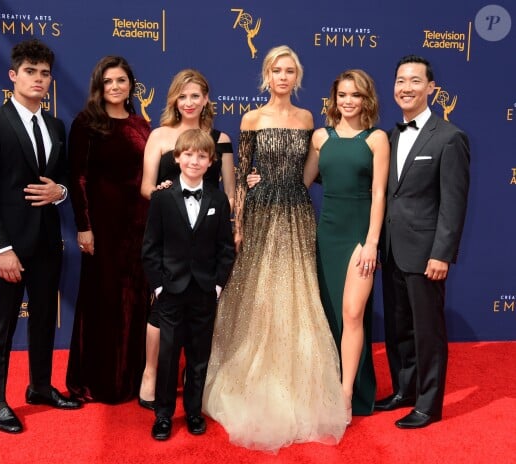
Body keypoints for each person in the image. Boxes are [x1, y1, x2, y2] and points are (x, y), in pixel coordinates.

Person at [203, 45, 347, 452]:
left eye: (289, 71)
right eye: (276, 70)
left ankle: (298, 384)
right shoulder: (252, 117)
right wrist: (238, 222)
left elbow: (307, 174)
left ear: (297, 77)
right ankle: (250, 378)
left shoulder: (307, 119)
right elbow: (244, 168)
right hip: (260, 212)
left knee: (296, 295)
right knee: (259, 294)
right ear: (266, 75)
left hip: (297, 213)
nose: (283, 77)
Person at [0, 39, 81, 434]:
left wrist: (60, 193)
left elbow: (63, 179)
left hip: (49, 243)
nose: (39, 79)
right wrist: (0, 249)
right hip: (9, 248)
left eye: (45, 73)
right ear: (13, 75)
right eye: (30, 71)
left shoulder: (55, 126)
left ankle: (40, 387)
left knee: (45, 318)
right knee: (2, 322)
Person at [374, 55, 470, 429]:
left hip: (427, 252)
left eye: (415, 81)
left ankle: (428, 405)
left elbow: (454, 202)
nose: (406, 88)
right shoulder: (390, 135)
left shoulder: (450, 137)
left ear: (432, 88)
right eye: (400, 81)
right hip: (392, 250)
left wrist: (442, 254)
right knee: (399, 328)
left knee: (428, 331)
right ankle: (405, 390)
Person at [138, 69, 235, 409]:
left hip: (207, 239)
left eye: (196, 95)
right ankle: (150, 374)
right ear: (174, 100)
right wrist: (162, 191)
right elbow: (145, 186)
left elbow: (229, 191)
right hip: (168, 233)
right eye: (183, 96)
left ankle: (192, 385)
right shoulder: (160, 136)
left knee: (199, 316)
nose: (190, 102)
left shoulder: (219, 139)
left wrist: (231, 226)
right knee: (159, 311)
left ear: (206, 99)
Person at [65, 56, 151, 403]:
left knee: (134, 301)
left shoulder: (141, 125)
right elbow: (78, 177)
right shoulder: (87, 123)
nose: (116, 87)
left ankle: (131, 379)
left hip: (139, 227)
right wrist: (84, 227)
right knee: (102, 301)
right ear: (99, 87)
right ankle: (98, 381)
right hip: (103, 226)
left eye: (122, 80)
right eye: (109, 82)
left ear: (131, 85)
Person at [305, 70, 389, 420]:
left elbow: (379, 193)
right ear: (333, 99)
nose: (348, 101)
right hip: (327, 235)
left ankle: (346, 392)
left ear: (366, 99)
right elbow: (302, 183)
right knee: (328, 316)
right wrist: (263, 180)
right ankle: (325, 385)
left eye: (355, 95)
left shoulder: (376, 139)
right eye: (342, 95)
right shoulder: (320, 137)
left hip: (358, 236)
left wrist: (372, 243)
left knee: (353, 313)